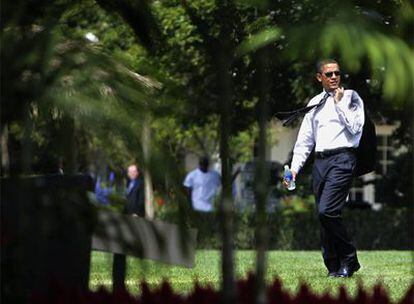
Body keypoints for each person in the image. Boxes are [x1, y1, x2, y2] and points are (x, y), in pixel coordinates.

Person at [284, 59, 364, 278]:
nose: (334, 77)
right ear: (319, 77)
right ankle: (333, 266)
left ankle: (349, 259)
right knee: (323, 217)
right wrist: (294, 170)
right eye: (328, 74)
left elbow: (356, 128)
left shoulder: (351, 97)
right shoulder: (316, 102)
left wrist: (339, 104)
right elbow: (305, 141)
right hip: (320, 162)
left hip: (343, 159)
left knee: (327, 210)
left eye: (337, 73)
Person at [112, 164, 145, 289]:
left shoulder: (140, 183)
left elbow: (141, 199)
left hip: (135, 215)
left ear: (137, 172)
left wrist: (138, 213)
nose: (130, 173)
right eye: (129, 171)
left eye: (132, 171)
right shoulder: (128, 184)